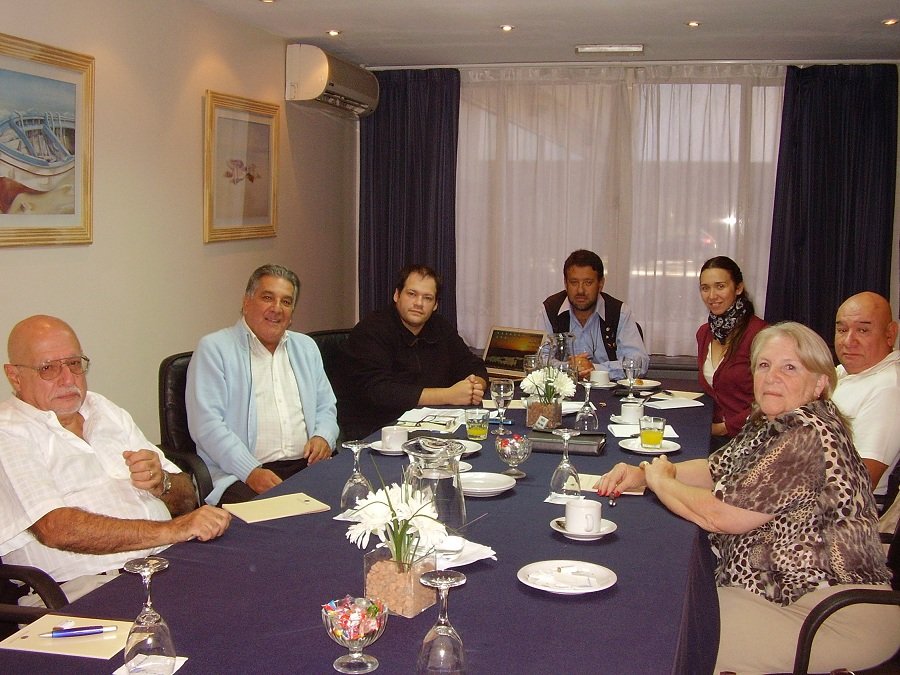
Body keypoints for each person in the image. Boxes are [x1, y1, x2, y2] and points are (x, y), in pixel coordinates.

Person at [598, 322, 899, 673]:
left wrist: (661, 482)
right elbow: (714, 469)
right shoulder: (773, 422)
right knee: (657, 595)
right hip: (779, 588)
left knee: (659, 634)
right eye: (764, 365)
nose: (772, 377)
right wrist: (645, 473)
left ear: (820, 383)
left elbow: (721, 516)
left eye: (790, 367)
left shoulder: (806, 434)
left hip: (826, 611)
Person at [0, 315, 231, 603]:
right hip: (86, 588)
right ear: (15, 376)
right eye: (48, 368)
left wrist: (163, 484)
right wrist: (174, 530)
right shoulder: (8, 432)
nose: (68, 379)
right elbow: (56, 529)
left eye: (74, 364)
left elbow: (186, 499)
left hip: (167, 560)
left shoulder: (103, 409)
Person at [186, 264, 339, 506]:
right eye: (267, 298)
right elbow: (207, 426)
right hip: (240, 474)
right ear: (246, 302)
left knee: (359, 502)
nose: (276, 309)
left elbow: (326, 407)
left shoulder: (306, 347)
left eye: (286, 302)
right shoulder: (214, 349)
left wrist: (323, 437)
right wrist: (250, 471)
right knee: (283, 520)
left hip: (308, 466)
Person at [334, 264, 489, 440]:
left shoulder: (440, 327)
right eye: (412, 294)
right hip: (377, 430)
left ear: (435, 305)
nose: (418, 303)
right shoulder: (371, 330)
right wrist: (449, 395)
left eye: (427, 298)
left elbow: (473, 365)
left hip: (432, 426)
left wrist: (475, 387)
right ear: (397, 295)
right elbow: (379, 391)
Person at [540, 249, 648, 381]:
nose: (580, 290)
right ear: (565, 283)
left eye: (588, 283)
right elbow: (539, 359)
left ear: (600, 284)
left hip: (609, 391)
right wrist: (569, 367)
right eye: (574, 282)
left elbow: (638, 363)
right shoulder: (550, 310)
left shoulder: (619, 312)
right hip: (562, 391)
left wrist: (595, 369)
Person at [832, 291, 900, 497]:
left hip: (843, 507)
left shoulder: (888, 387)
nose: (848, 341)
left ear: (890, 334)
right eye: (842, 330)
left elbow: (860, 482)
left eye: (863, 330)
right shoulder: (842, 372)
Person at [695, 256, 767, 444]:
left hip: (754, 437)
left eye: (720, 286)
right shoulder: (704, 333)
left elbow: (769, 398)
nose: (712, 296)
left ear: (738, 288)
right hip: (715, 436)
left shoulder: (761, 334)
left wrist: (725, 427)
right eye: (705, 288)